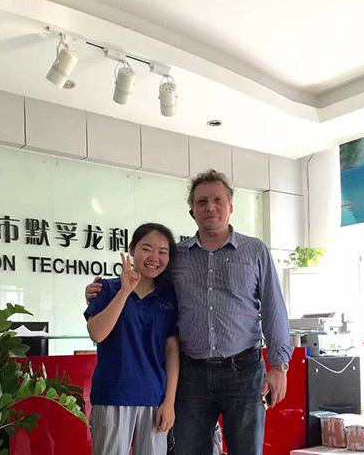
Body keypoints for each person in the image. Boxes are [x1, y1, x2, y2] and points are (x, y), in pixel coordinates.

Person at [85, 169, 292, 455]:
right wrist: (101, 291)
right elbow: (146, 283)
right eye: (202, 201)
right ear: (192, 211)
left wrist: (279, 366)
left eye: (218, 200)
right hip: (192, 375)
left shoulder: (254, 251)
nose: (210, 207)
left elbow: (273, 308)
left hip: (244, 372)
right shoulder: (177, 256)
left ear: (230, 206)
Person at [84, 223, 180, 455]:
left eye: (162, 252)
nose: (154, 257)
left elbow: (171, 350)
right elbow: (97, 333)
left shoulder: (169, 296)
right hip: (113, 395)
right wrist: (124, 291)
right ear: (132, 249)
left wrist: (169, 402)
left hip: (154, 397)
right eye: (146, 249)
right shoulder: (107, 288)